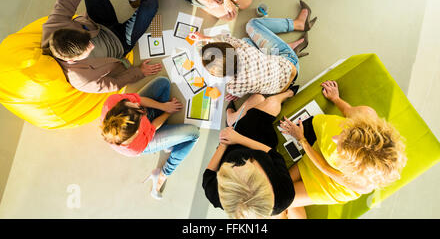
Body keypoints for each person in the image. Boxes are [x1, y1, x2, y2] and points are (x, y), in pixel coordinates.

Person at [278, 80, 407, 219]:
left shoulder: (362, 184)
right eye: (344, 132)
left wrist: (302, 139)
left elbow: (324, 167)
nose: (334, 138)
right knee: (278, 190)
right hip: (320, 151)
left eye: (341, 146)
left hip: (330, 183)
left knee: (278, 200)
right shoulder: (366, 115)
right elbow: (347, 110)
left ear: (352, 165)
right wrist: (335, 98)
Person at [41, 0, 165, 93]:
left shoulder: (55, 26)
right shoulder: (81, 79)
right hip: (121, 41)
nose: (92, 45)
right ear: (72, 59)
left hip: (98, 23)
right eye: (88, 48)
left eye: (88, 40)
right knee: (151, 5)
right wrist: (139, 72)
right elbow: (114, 84)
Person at [189, 0, 318, 101]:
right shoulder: (242, 50)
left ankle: (293, 42)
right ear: (228, 49)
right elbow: (226, 39)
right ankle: (298, 25)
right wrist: (205, 38)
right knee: (251, 25)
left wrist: (237, 94)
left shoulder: (232, 86)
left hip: (281, 87)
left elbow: (236, 93)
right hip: (289, 65)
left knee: (248, 42)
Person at [202, 89, 298, 219]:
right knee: (264, 101)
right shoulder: (285, 196)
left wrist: (224, 144)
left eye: (230, 171)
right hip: (261, 142)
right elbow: (273, 154)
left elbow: (208, 175)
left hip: (230, 145)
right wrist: (240, 139)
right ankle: (289, 93)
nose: (237, 164)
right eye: (251, 162)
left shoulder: (221, 195)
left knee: (257, 99)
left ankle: (232, 120)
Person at [101, 76, 200, 200]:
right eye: (140, 112)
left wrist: (163, 106)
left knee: (163, 82)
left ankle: (169, 141)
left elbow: (138, 99)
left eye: (132, 104)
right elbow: (153, 127)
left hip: (140, 126)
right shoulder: (134, 146)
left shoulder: (113, 101)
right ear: (137, 130)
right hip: (146, 141)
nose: (138, 104)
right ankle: (163, 174)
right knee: (194, 134)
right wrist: (168, 112)